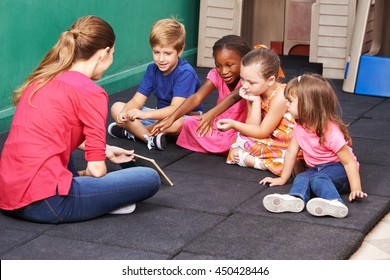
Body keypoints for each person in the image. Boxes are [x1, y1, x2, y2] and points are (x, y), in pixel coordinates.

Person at [0, 16, 160, 224]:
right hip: (47, 204)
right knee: (148, 178)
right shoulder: (91, 92)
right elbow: (96, 170)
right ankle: (102, 201)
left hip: (8, 195)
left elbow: (56, 133)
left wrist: (105, 149)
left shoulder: (42, 79)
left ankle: (90, 193)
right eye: (113, 54)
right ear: (104, 53)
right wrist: (98, 174)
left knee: (59, 152)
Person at [260, 74, 367, 218]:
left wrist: (356, 188)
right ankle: (297, 199)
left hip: (339, 169)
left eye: (290, 101)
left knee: (318, 179)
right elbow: (291, 152)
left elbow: (349, 162)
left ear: (308, 105)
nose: (286, 105)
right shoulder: (300, 125)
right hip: (317, 169)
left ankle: (335, 202)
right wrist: (282, 179)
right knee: (302, 178)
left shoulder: (330, 131)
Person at [108, 18, 202, 150]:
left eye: (167, 53)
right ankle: (149, 137)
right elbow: (137, 101)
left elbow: (175, 109)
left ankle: (136, 133)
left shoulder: (186, 73)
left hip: (182, 117)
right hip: (157, 115)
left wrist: (144, 116)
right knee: (117, 107)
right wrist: (124, 114)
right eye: (156, 52)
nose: (161, 59)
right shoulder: (152, 69)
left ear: (180, 50)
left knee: (178, 123)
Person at [151, 35, 251, 154]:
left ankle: (225, 147)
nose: (224, 71)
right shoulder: (216, 75)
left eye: (229, 65)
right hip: (218, 126)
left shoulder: (249, 79)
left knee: (239, 140)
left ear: (244, 61)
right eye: (218, 66)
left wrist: (211, 114)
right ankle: (223, 149)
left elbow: (234, 96)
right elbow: (197, 97)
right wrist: (172, 118)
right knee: (189, 122)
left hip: (240, 129)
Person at [216, 48, 295, 176]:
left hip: (288, 143)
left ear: (270, 80)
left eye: (251, 82)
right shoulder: (254, 91)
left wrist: (233, 124)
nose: (245, 86)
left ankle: (259, 163)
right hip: (270, 139)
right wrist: (255, 102)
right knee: (239, 140)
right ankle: (263, 161)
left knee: (290, 159)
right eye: (242, 79)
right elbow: (252, 127)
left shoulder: (281, 95)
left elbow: (262, 132)